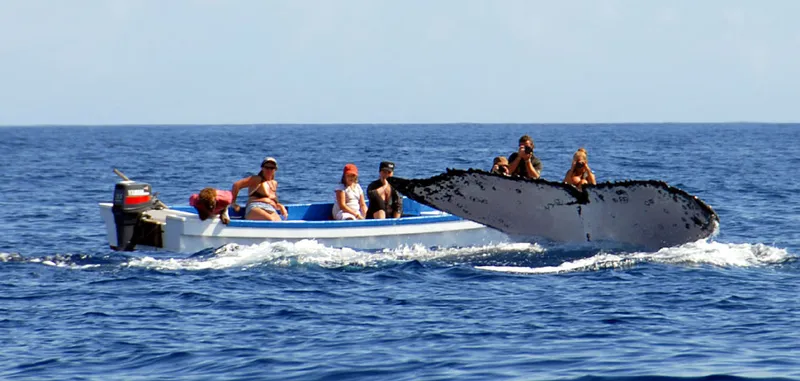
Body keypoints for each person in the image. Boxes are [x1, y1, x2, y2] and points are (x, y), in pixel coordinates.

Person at [230, 157, 288, 221]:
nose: (269, 170)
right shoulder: (257, 179)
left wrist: (280, 206)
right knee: (270, 220)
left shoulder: (274, 183)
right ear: (262, 168)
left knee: (278, 222)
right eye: (266, 167)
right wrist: (233, 203)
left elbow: (271, 200)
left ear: (275, 169)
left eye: (271, 168)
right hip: (256, 206)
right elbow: (236, 185)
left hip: (270, 208)